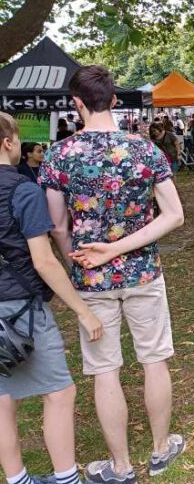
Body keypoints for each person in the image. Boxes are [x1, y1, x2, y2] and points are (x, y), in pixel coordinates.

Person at [40, 65, 186, 484]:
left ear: (77, 103)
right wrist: (121, 248)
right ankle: (160, 452)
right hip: (142, 273)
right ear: (116, 101)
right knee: (154, 359)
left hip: (90, 277)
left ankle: (121, 467)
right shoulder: (144, 150)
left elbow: (57, 224)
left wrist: (80, 258)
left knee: (105, 369)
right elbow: (173, 216)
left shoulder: (59, 155)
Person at [0, 112, 103, 484]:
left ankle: (17, 480)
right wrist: (83, 311)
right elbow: (44, 261)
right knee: (59, 391)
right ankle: (66, 478)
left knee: (2, 400)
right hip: (22, 309)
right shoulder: (23, 190)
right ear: (9, 142)